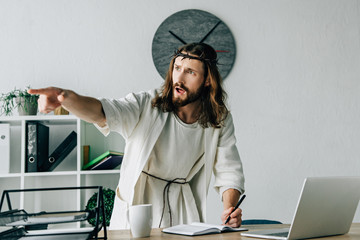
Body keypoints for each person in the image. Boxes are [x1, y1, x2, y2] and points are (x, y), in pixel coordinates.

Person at [29, 42, 245, 230]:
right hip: (139, 204)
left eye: (190, 72)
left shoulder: (220, 118)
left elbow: (229, 170)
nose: (178, 77)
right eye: (177, 68)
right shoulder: (146, 104)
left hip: (182, 208)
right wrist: (66, 98)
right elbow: (103, 111)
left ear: (207, 80)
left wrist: (230, 209)